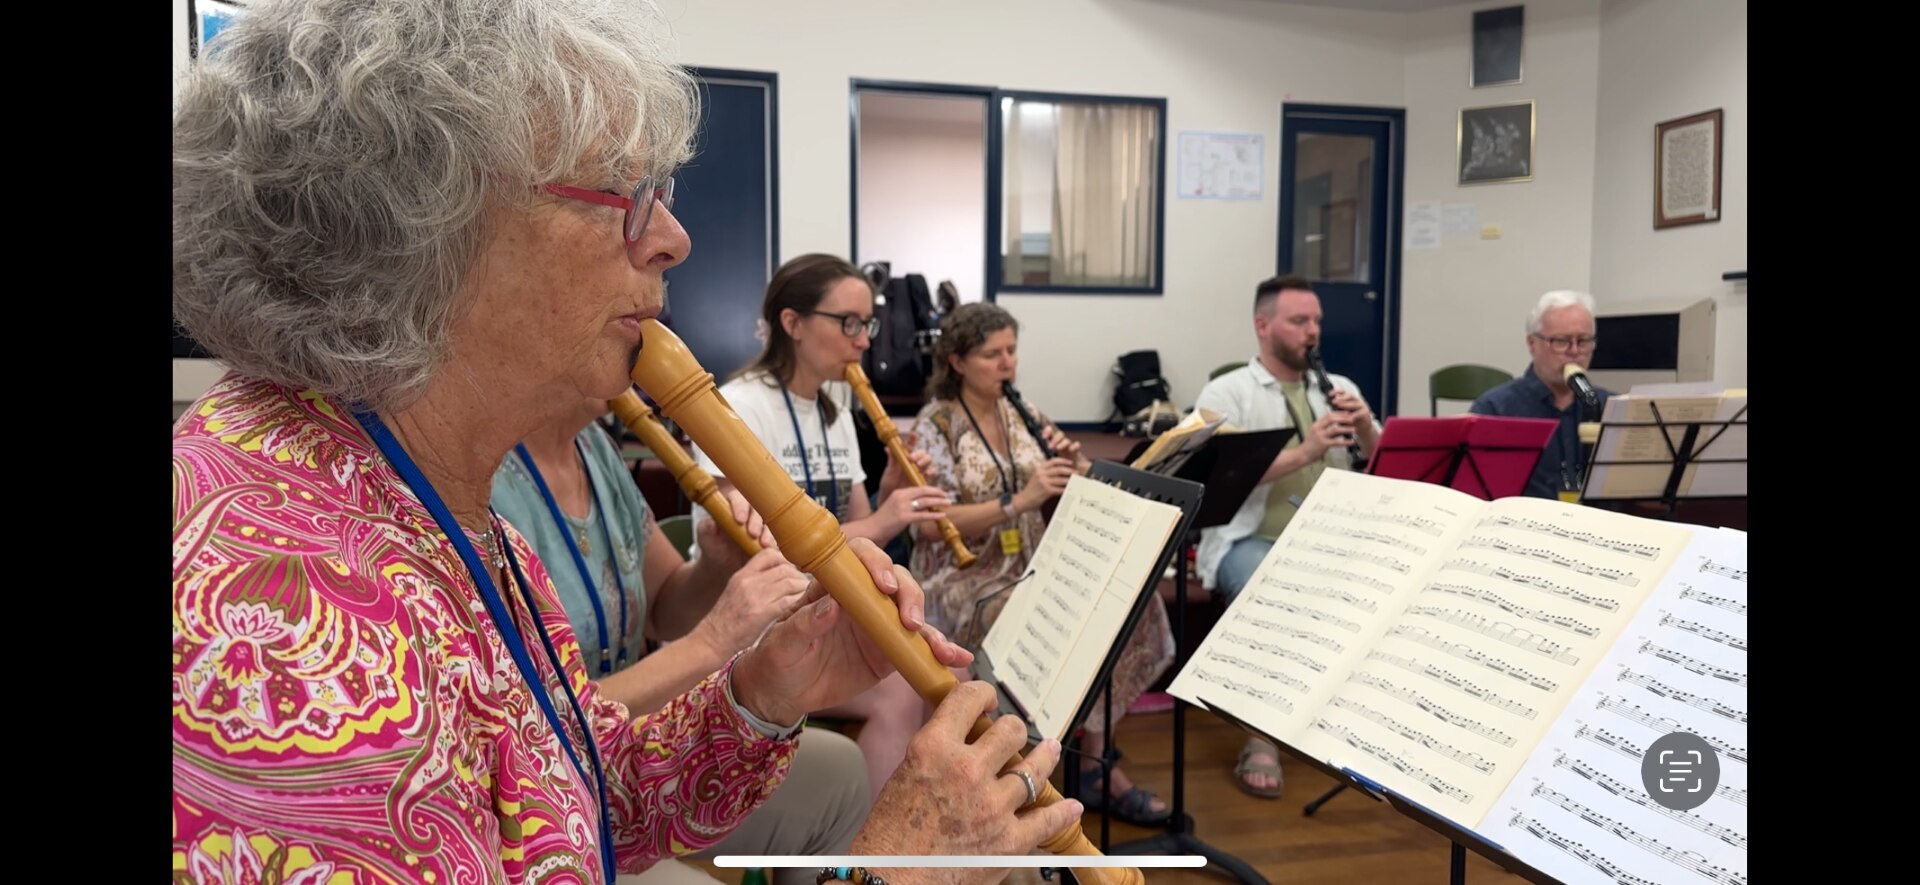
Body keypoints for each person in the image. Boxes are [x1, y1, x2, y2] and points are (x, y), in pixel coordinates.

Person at [171, 2, 1083, 883]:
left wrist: (765, 690)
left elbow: (566, 798)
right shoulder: (285, 626)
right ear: (426, 220)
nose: (674, 239)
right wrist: (896, 867)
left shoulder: (423, 491)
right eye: (626, 192)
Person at [492, 397, 866, 885]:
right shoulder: (481, 474)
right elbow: (532, 728)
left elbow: (664, 606)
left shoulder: (595, 449)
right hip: (549, 796)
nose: (652, 320)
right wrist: (715, 639)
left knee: (840, 774)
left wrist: (715, 569)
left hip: (638, 749)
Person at [909, 303, 1177, 827]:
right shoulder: (934, 424)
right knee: (1028, 620)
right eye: (993, 354)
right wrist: (1018, 501)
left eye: (1012, 350)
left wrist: (1074, 465)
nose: (1007, 363)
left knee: (1128, 609)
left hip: (1032, 561)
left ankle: (1097, 760)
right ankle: (1016, 772)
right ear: (958, 361)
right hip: (962, 577)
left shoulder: (1020, 409)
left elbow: (1064, 474)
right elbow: (924, 525)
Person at [1191, 274, 1381, 799]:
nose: (1312, 331)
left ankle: (1354, 732)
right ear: (1263, 325)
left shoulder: (1340, 388)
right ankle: (1261, 735)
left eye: (1316, 320)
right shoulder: (1225, 393)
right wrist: (1304, 451)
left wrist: (1365, 427)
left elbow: (1386, 465)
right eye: (1299, 321)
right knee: (1267, 591)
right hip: (1250, 540)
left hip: (1334, 540)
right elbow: (1215, 478)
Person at [1469, 290, 1612, 500]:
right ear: (1532, 343)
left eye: (1583, 341)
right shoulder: (1495, 409)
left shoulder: (1610, 406)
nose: (1574, 351)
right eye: (1561, 341)